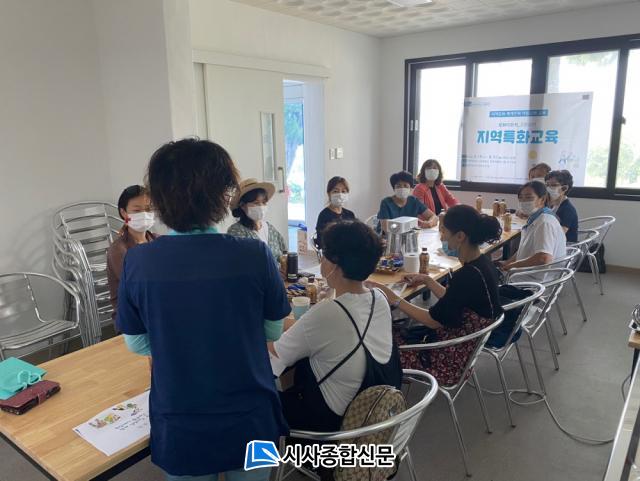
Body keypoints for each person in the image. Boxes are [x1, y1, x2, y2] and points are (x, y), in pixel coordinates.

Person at [116, 139, 291, 481]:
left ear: (160, 199)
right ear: (225, 197)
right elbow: (273, 330)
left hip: (181, 417)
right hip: (251, 414)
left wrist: (177, 341)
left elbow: (136, 344)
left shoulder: (138, 261)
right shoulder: (255, 255)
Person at [270, 221, 402, 432]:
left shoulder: (327, 312)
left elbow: (275, 356)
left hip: (333, 431)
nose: (321, 260)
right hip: (375, 417)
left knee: (262, 397)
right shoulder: (379, 298)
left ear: (335, 265)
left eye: (324, 254)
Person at [368, 205, 503, 385]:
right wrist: (428, 280)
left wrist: (395, 299)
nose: (442, 237)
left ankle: (381, 391)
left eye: (444, 231)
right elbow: (456, 300)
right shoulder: (482, 264)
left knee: (378, 343)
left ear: (460, 236)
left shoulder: (468, 275)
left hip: (445, 360)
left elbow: (432, 321)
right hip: (463, 349)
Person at [106, 185, 156, 321]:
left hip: (156, 310)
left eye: (148, 209)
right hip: (132, 318)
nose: (144, 214)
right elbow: (137, 289)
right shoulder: (118, 250)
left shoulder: (158, 240)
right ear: (124, 213)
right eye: (137, 210)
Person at [500, 181, 567, 271]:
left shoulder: (544, 222)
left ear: (542, 199)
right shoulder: (537, 217)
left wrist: (511, 266)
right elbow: (524, 250)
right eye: (520, 198)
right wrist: (508, 263)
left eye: (529, 198)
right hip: (530, 273)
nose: (523, 202)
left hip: (534, 277)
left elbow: (543, 258)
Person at [228, 178, 287, 262]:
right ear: (243, 206)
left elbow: (284, 253)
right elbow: (240, 261)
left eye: (264, 202)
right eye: (256, 203)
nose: (261, 206)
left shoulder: (270, 229)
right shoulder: (236, 231)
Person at [314, 176, 356, 248]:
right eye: (335, 191)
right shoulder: (324, 215)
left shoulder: (350, 214)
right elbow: (321, 241)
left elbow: (356, 236)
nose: (340, 194)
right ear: (329, 194)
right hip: (333, 251)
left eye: (343, 191)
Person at [546, 170, 579, 243]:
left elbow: (559, 234)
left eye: (553, 185)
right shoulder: (549, 204)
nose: (549, 188)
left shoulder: (568, 209)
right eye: (547, 185)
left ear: (564, 188)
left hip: (566, 246)